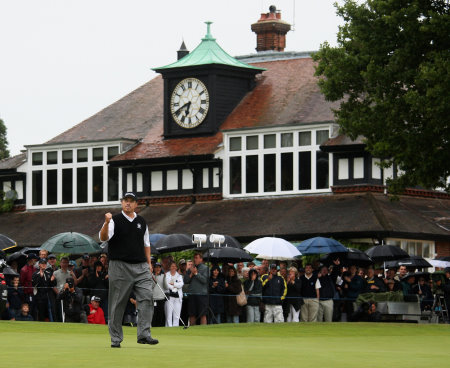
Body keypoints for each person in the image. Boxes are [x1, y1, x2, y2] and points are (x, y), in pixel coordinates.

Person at [99, 192, 158, 348]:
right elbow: (103, 238)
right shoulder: (114, 220)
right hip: (119, 265)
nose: (128, 203)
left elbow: (146, 244)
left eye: (131, 201)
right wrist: (106, 222)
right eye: (125, 201)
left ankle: (144, 335)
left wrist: (149, 263)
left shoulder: (142, 221)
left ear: (136, 204)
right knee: (117, 303)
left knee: (147, 297)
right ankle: (116, 339)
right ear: (121, 203)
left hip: (141, 266)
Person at [183, 252, 208, 326]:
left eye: (197, 258)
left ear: (201, 259)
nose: (195, 259)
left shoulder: (205, 268)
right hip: (192, 294)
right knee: (192, 314)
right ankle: (192, 330)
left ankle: (203, 330)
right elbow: (185, 281)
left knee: (202, 314)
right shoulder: (190, 268)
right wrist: (191, 274)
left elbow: (205, 280)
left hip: (202, 294)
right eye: (194, 258)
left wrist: (196, 273)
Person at [164, 261, 184, 327]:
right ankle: (168, 328)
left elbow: (181, 284)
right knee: (169, 314)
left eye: (175, 266)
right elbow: (167, 284)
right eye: (172, 266)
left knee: (177, 315)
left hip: (178, 297)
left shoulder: (179, 276)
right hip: (169, 297)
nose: (174, 267)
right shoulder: (166, 275)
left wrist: (174, 284)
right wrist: (175, 286)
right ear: (169, 267)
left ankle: (176, 327)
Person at [151, 262, 166, 327]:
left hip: (161, 298)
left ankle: (159, 327)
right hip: (154, 298)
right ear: (154, 268)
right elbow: (152, 286)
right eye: (156, 267)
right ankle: (153, 326)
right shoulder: (151, 276)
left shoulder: (163, 276)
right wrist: (155, 277)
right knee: (154, 314)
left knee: (160, 314)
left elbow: (166, 287)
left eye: (159, 267)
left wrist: (165, 278)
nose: (158, 268)